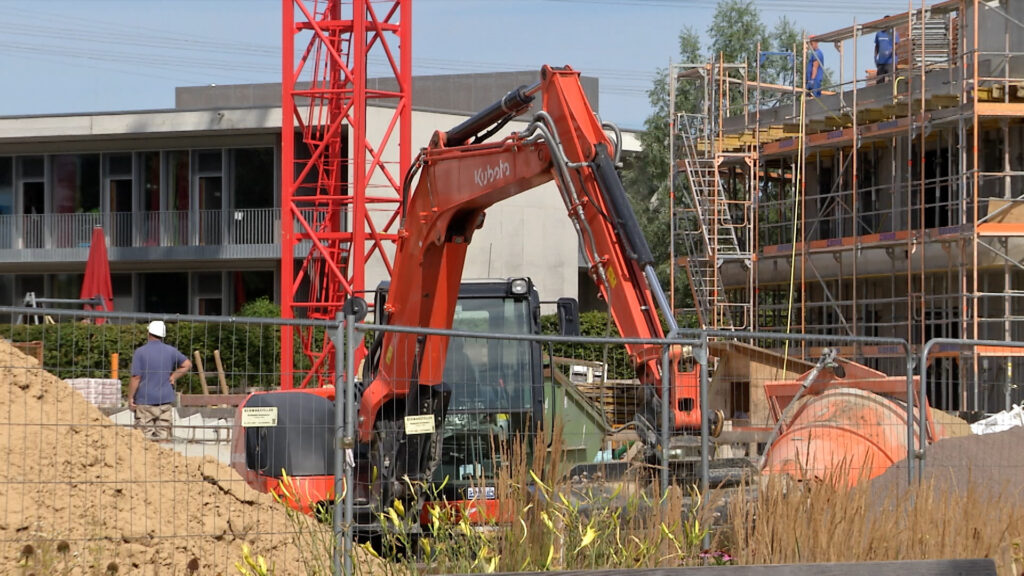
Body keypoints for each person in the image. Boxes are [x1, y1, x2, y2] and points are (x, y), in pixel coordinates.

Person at [129, 320, 191, 441]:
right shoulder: (171, 351)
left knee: (143, 440)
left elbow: (136, 377)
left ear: (149, 333)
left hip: (144, 400)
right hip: (165, 400)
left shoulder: (140, 352)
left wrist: (131, 397)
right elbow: (187, 364)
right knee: (164, 439)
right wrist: (173, 377)